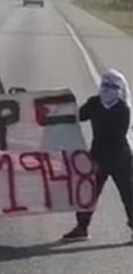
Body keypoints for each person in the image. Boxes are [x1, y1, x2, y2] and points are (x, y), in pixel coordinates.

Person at [62, 69, 133, 243]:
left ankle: (84, 228)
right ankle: (82, 228)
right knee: (89, 194)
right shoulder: (101, 104)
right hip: (106, 157)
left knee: (127, 194)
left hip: (114, 157)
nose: (107, 89)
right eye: (106, 85)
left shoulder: (118, 108)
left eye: (111, 86)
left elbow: (114, 134)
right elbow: (78, 116)